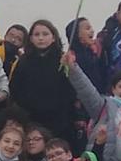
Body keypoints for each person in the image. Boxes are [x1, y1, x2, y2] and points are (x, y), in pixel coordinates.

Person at [8, 19, 102, 147]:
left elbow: (72, 89)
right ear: (30, 38)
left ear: (53, 37)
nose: (41, 38)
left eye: (45, 34)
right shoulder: (23, 61)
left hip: (60, 120)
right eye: (36, 35)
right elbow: (15, 89)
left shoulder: (63, 59)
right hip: (30, 119)